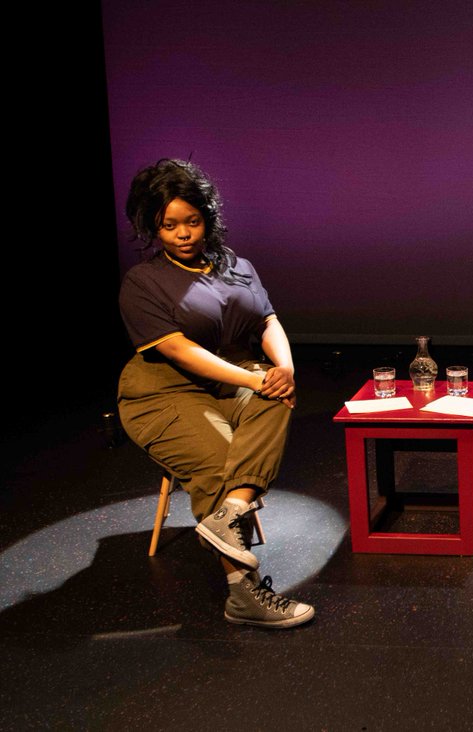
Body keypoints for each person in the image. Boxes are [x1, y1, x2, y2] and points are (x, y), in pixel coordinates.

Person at [117, 159, 314, 629]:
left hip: (232, 379)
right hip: (163, 392)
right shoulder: (143, 283)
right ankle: (243, 595)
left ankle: (229, 513)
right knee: (217, 460)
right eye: (169, 225)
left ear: (208, 218)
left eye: (192, 221)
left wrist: (283, 369)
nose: (182, 233)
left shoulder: (238, 266)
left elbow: (267, 320)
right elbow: (178, 350)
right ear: (152, 226)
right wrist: (256, 378)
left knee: (277, 395)